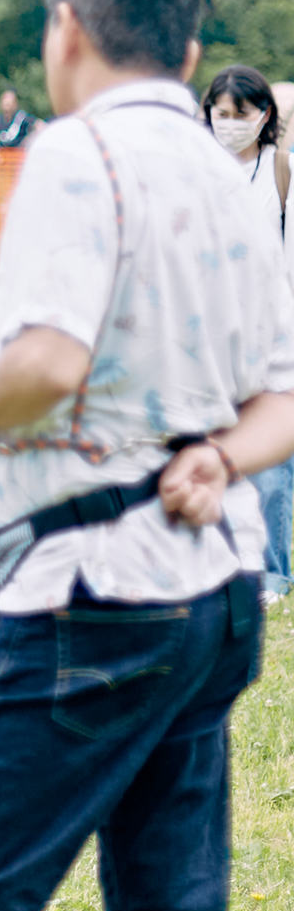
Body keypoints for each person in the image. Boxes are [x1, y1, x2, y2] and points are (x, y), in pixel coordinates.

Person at [0, 0, 294, 911]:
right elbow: (282, 404)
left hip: (90, 600)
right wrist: (218, 455)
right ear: (194, 42)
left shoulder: (80, 152)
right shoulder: (238, 181)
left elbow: (48, 360)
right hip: (216, 595)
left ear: (65, 28)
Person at [201, 64, 292, 593]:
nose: (230, 123)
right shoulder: (198, 173)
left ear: (264, 117)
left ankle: (273, 569)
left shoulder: (282, 171)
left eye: (241, 114)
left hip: (275, 334)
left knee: (274, 460)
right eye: (221, 113)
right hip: (211, 334)